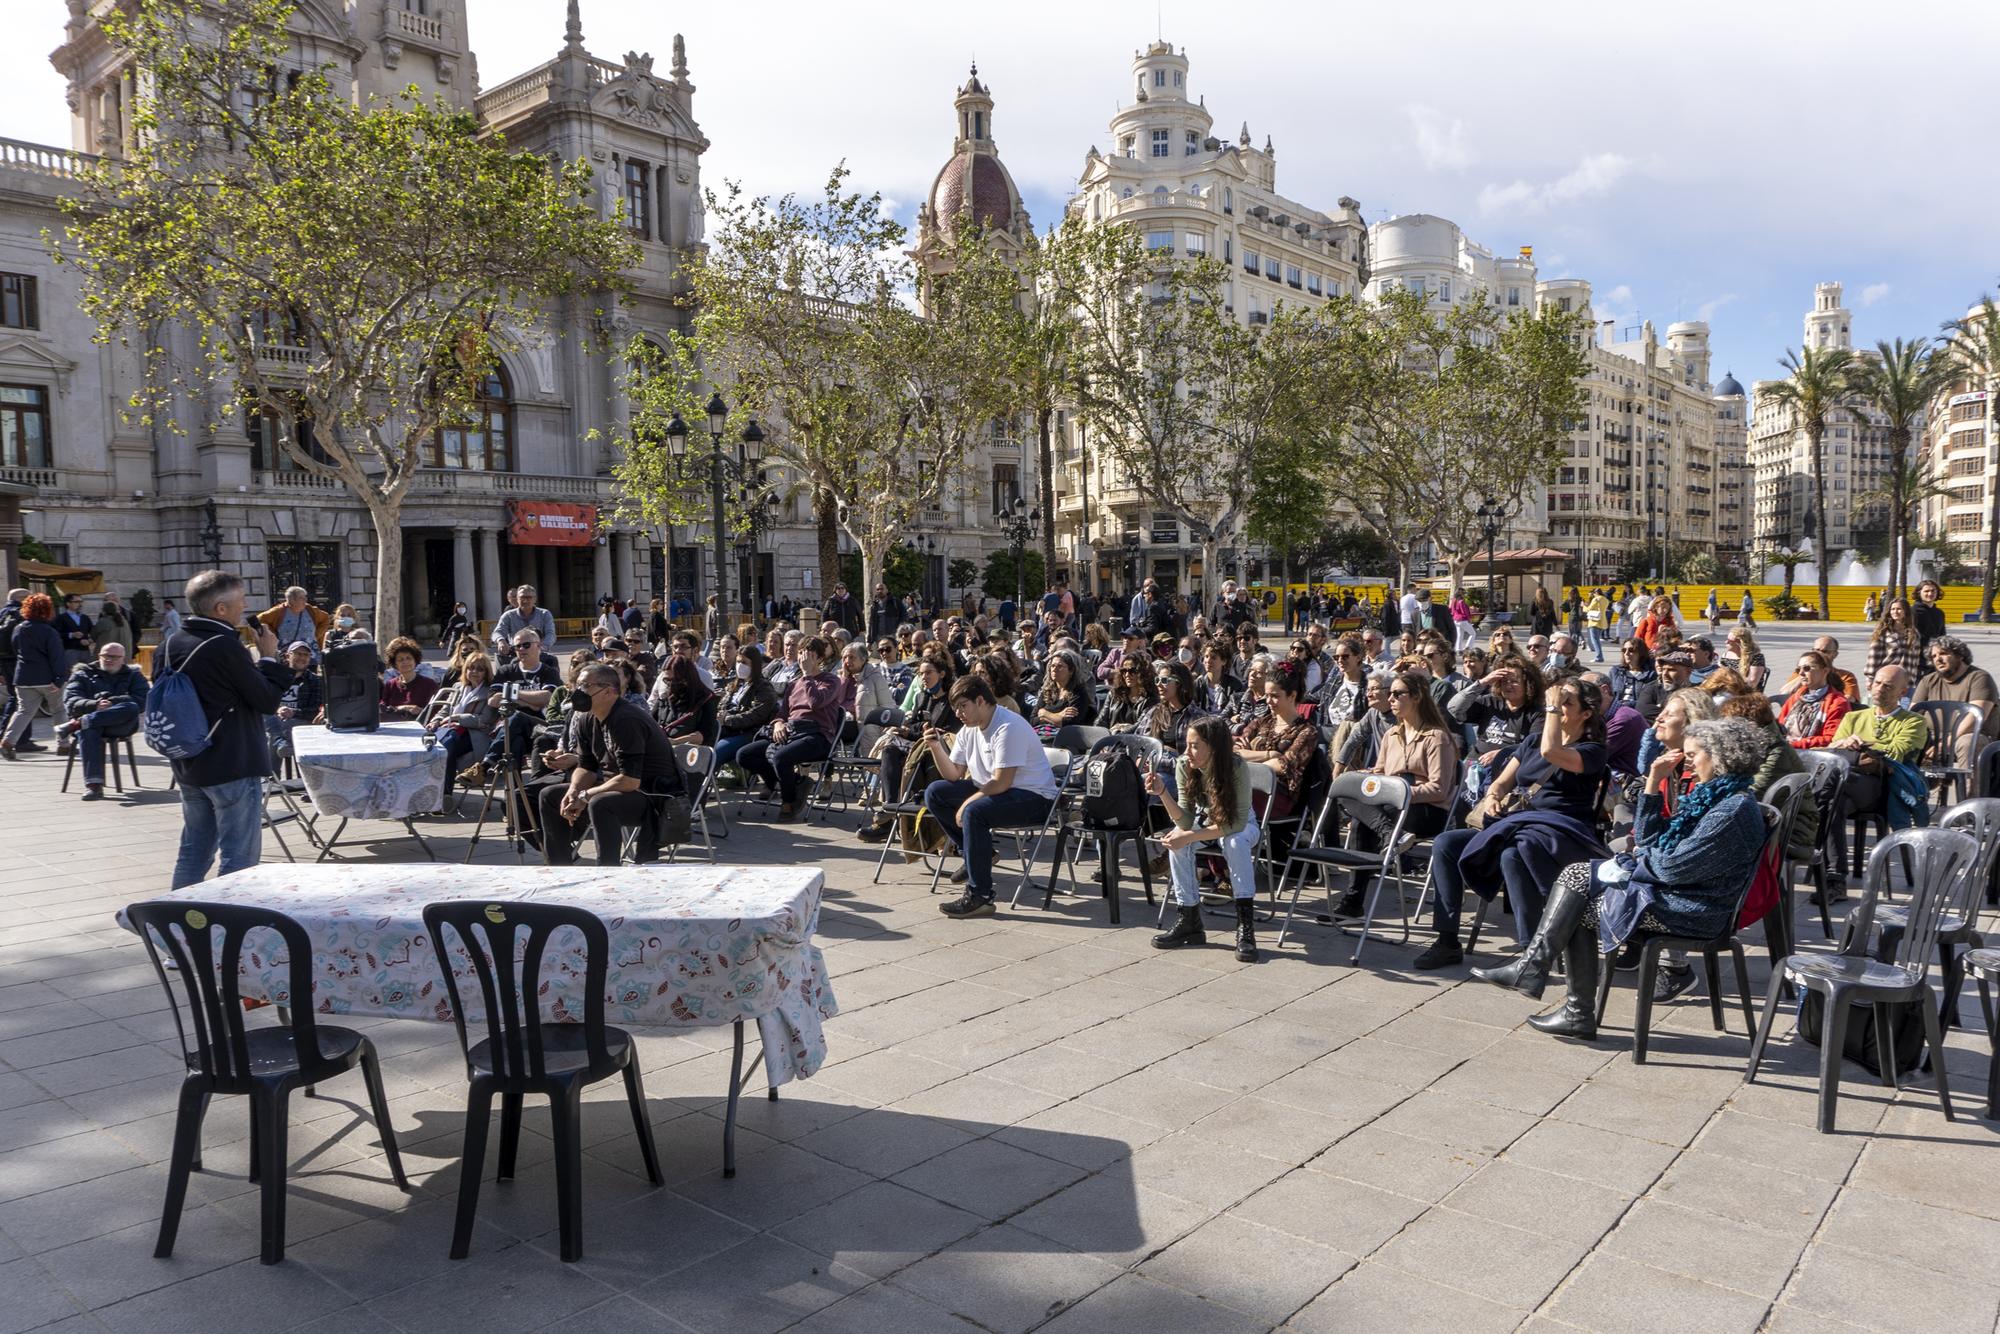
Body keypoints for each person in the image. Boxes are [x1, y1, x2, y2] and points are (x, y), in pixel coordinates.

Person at [1468, 717, 1769, 1040]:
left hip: (1696, 910)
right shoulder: (1711, 797)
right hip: (1675, 894)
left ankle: (1562, 997)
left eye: (1694, 756)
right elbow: (1652, 841)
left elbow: (1670, 868)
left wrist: (1628, 864)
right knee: (1577, 882)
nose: (1688, 765)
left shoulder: (1731, 810)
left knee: (1576, 891)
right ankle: (1551, 988)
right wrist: (1653, 784)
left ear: (1721, 758)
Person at [1415, 678, 1611, 969]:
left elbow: (1552, 752)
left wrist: (1552, 708)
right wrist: (1493, 797)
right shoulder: (1531, 742)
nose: (1555, 707)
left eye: (1566, 702)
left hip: (1559, 833)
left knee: (1514, 853)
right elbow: (1501, 783)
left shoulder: (1592, 750)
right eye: (1555, 701)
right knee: (1446, 843)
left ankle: (1531, 954)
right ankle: (1447, 941)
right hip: (1518, 823)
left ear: (1586, 714)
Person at [160, 571, 290, 888]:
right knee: (240, 858)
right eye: (241, 600)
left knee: (194, 852)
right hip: (231, 763)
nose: (245, 606)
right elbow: (265, 701)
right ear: (220, 608)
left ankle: (180, 925)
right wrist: (270, 658)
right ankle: (229, 928)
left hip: (190, 762)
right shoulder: (224, 647)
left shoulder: (171, 643)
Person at [924, 675, 1060, 919]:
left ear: (980, 701)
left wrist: (966, 803)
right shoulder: (969, 729)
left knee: (974, 811)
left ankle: (980, 896)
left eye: (962, 706)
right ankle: (977, 855)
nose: (958, 714)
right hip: (998, 790)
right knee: (935, 793)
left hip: (1034, 797)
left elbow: (1002, 781)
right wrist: (935, 747)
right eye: (955, 708)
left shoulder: (1008, 726)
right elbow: (954, 774)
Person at [1334, 670, 1459, 919]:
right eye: (1389, 694)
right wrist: (1364, 776)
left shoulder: (1436, 738)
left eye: (1397, 694)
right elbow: (1381, 772)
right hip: (1392, 808)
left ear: (1416, 697)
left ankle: (1354, 899)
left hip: (1427, 809)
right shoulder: (1392, 735)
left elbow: (1439, 789)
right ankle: (1390, 834)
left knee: (1362, 822)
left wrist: (1399, 793)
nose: (1390, 699)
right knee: (1345, 791)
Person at [538, 663, 683, 866]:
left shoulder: (626, 720)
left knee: (600, 803)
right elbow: (586, 766)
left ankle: (608, 871)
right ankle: (559, 868)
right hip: (618, 787)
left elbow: (631, 781)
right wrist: (574, 790)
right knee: (551, 795)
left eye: (586, 686)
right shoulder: (587, 718)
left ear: (608, 691)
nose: (579, 691)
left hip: (654, 796)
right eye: (578, 685)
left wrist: (586, 795)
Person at [1150, 714, 1262, 959]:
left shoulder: (1236, 767)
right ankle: (1189, 919)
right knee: (1176, 842)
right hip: (1205, 819)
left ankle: (1245, 928)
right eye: (1187, 744)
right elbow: (1186, 820)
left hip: (1240, 823)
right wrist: (1161, 793)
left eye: (1194, 745)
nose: (1187, 751)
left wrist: (1189, 836)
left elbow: (1236, 822)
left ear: (1213, 747)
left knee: (1234, 842)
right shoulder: (1183, 765)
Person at [1825, 663, 1930, 893]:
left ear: (1902, 693)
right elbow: (1832, 749)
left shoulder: (1913, 721)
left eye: (1888, 686)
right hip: (1848, 784)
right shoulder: (1854, 717)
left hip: (1882, 788)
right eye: (1877, 683)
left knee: (1828, 789)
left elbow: (1894, 753)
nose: (1879, 689)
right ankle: (1835, 877)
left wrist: (1854, 748)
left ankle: (1809, 855)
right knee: (1834, 803)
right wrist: (1845, 745)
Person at [737, 635, 843, 821]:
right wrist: (778, 724)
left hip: (817, 735)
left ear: (818, 658)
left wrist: (808, 675)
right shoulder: (794, 684)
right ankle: (792, 784)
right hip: (792, 731)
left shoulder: (831, 680)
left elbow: (815, 702)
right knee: (745, 755)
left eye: (808, 655)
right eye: (801, 654)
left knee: (780, 757)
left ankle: (789, 801)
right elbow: (783, 713)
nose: (803, 659)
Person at [58, 640, 149, 798]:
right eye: (106, 656)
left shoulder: (133, 675)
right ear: (99, 655)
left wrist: (113, 703)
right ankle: (94, 786)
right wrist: (95, 705)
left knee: (131, 706)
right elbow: (70, 701)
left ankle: (78, 723)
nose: (109, 659)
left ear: (123, 658)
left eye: (114, 657)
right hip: (92, 722)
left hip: (120, 724)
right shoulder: (83, 674)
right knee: (89, 730)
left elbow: (142, 701)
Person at [1234, 664, 1321, 825]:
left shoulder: (1306, 731)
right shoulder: (1261, 722)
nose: (1269, 701)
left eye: (1275, 696)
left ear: (1292, 696)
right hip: (1245, 786)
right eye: (1266, 695)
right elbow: (1235, 753)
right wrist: (1269, 755)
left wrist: (1246, 764)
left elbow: (1283, 765)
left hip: (1277, 795)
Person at [1912, 634, 2000, 770]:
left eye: (1943, 653)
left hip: (1974, 736)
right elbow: (1913, 715)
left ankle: (1971, 790)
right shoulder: (1928, 681)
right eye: (1934, 656)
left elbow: (1974, 719)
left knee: (1968, 742)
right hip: (1933, 738)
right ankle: (1911, 788)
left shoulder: (1979, 678)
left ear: (1960, 655)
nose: (1938, 659)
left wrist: (1945, 743)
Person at [1, 594, 64, 759]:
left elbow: (15, 649)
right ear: (47, 610)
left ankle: (7, 742)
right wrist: (59, 679)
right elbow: (56, 657)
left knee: (23, 711)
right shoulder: (49, 631)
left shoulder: (19, 628)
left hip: (23, 678)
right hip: (47, 678)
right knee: (58, 710)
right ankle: (64, 744)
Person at [431, 652, 498, 782]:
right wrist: (436, 720)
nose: (474, 672)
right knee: (434, 745)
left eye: (480, 669)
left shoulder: (490, 691)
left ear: (486, 672)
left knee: (447, 748)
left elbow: (484, 720)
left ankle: (446, 792)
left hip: (475, 735)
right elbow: (445, 710)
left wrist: (457, 718)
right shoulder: (458, 687)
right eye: (471, 668)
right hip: (450, 729)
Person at [1777, 650, 1851, 750]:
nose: (1801, 673)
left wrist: (1794, 745)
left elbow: (1831, 738)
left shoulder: (1837, 702)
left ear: (1825, 671)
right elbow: (1780, 725)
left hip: (1812, 754)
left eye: (1807, 668)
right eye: (1799, 669)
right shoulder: (1797, 697)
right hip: (1786, 749)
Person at [265, 641, 322, 760]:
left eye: (306, 655)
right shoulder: (275, 677)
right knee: (269, 719)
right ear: (288, 656)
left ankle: (271, 776)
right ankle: (281, 743)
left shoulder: (315, 680)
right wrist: (278, 709)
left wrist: (293, 712)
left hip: (299, 722)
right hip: (274, 719)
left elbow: (315, 711)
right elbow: (263, 701)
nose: (302, 658)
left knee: (272, 735)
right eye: (298, 653)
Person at [257, 585, 329, 664]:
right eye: (301, 598)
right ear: (292, 599)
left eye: (305, 597)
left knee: (310, 675)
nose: (305, 600)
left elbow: (325, 619)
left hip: (310, 654)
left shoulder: (311, 610)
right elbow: (260, 620)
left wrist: (315, 635)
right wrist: (273, 634)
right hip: (287, 655)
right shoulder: (278, 611)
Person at [1031, 648, 1091, 741]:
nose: (1054, 669)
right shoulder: (1047, 691)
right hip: (1041, 735)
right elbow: (1032, 720)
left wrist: (1044, 713)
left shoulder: (1079, 693)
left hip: (1065, 740)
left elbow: (1069, 724)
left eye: (1060, 666)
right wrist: (1059, 716)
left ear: (1071, 671)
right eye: (1052, 666)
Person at [1865, 597, 1924, 688]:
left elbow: (1915, 658)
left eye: (1899, 609)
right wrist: (1870, 678)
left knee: (1907, 702)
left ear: (1906, 611)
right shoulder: (1883, 632)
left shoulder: (1914, 633)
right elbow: (1874, 656)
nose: (1895, 611)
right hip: (1887, 680)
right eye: (1893, 609)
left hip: (1907, 682)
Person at [1608, 639, 1667, 722]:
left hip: (1637, 714)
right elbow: (1609, 694)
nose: (1627, 653)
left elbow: (1647, 701)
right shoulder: (1616, 671)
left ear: (1641, 653)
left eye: (1631, 650)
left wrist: (1626, 705)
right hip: (1615, 712)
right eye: (1624, 650)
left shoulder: (1651, 674)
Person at [379, 637, 439, 720]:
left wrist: (421, 711)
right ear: (395, 664)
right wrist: (402, 708)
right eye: (400, 659)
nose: (405, 662)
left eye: (409, 658)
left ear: (415, 661)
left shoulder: (429, 684)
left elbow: (438, 710)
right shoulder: (390, 685)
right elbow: (382, 709)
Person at [490, 585, 556, 659]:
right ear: (517, 599)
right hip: (515, 654)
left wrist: (543, 647)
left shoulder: (545, 614)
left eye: (529, 597)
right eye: (522, 597)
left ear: (535, 599)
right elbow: (497, 632)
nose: (525, 600)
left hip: (539, 654)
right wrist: (501, 641)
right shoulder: (508, 615)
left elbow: (551, 634)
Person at [1097, 653, 1158, 731]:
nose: (1127, 675)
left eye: (1132, 671)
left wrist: (1122, 730)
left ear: (1143, 673)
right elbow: (1102, 720)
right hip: (1110, 738)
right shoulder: (1114, 694)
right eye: (1124, 671)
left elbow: (1141, 726)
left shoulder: (1152, 699)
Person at [55, 593, 94, 672]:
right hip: (70, 650)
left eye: (81, 602)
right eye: (76, 602)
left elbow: (93, 632)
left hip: (85, 651)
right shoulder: (61, 618)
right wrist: (71, 635)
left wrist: (89, 640)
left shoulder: (85, 618)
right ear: (68, 603)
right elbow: (56, 634)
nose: (80, 604)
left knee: (88, 673)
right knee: (71, 673)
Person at [91, 593, 136, 657]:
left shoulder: (103, 621)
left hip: (109, 655)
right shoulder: (125, 621)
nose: (104, 602)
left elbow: (94, 635)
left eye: (106, 600)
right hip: (124, 654)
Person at [1912, 579, 1947, 658]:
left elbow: (1942, 636)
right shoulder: (1912, 612)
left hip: (1935, 656)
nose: (1930, 593)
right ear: (1919, 593)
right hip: (1917, 657)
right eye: (1926, 591)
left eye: (1933, 591)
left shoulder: (1940, 613)